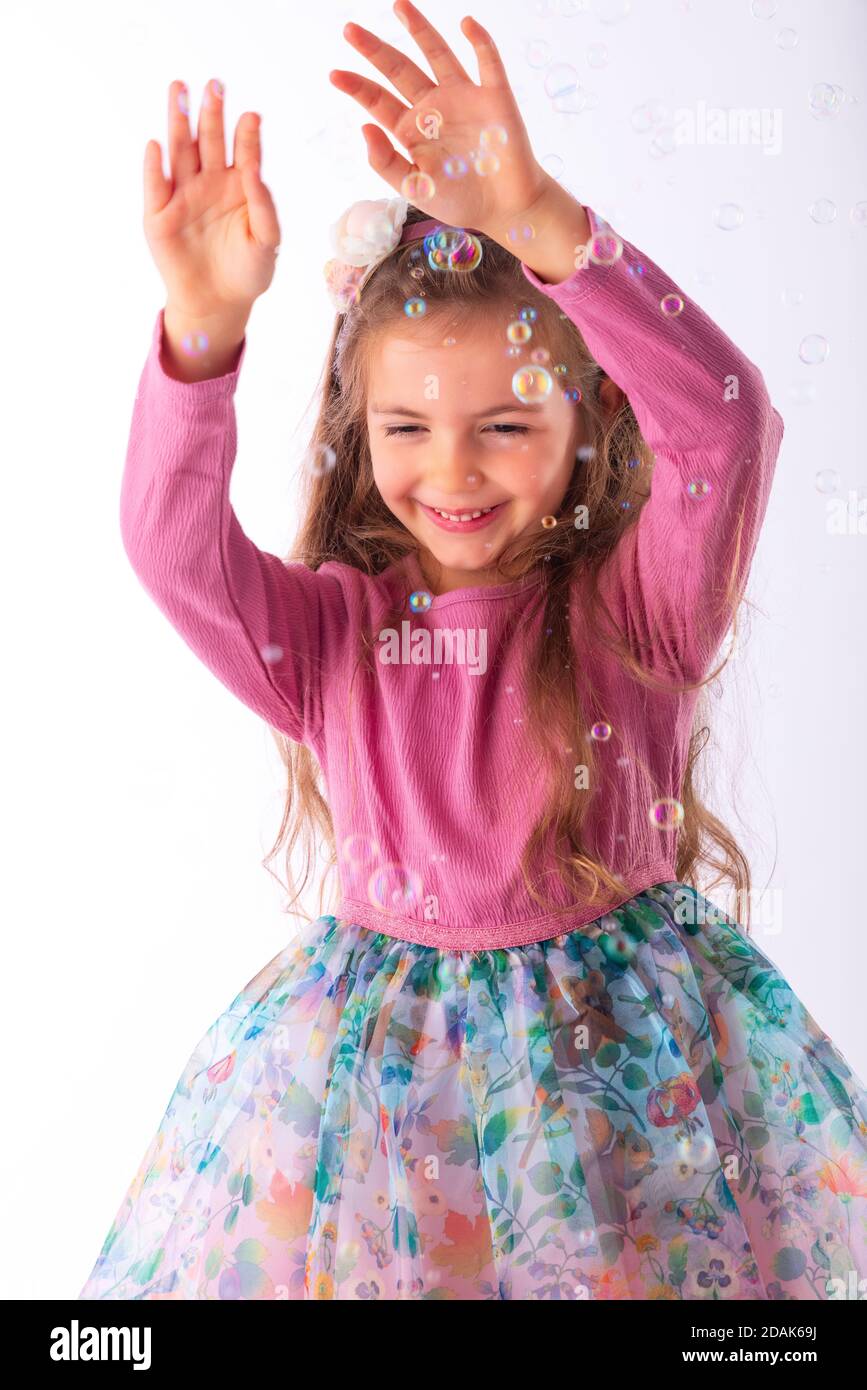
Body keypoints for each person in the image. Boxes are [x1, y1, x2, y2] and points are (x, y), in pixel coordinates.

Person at [79, 1, 867, 1301]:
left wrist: (544, 216)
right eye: (406, 426)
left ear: (584, 417)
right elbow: (171, 551)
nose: (450, 469)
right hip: (391, 1110)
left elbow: (726, 428)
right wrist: (201, 337)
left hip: (617, 1082)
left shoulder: (638, 613)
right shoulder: (335, 636)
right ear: (359, 425)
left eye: (504, 423)